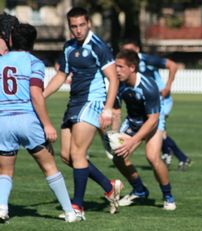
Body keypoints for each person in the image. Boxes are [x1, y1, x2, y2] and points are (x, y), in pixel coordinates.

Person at [43, 7, 122, 219]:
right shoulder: (69, 47)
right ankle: (109, 186)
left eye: (81, 25)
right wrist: (41, 96)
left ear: (89, 24)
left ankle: (77, 207)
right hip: (74, 103)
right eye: (74, 27)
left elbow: (113, 78)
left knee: (78, 154)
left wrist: (107, 108)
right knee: (67, 156)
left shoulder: (99, 47)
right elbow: (61, 76)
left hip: (92, 102)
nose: (78, 30)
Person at [0, 23, 80, 223]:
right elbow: (36, 94)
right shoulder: (34, 63)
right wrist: (47, 124)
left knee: (5, 170)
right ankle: (70, 212)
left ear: (10, 40)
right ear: (33, 43)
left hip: (3, 121)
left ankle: (2, 208)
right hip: (27, 120)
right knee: (49, 167)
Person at [111, 49, 176, 210]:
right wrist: (113, 133)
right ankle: (139, 190)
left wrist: (133, 141)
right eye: (115, 66)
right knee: (118, 157)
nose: (116, 70)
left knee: (152, 157)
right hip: (133, 121)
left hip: (153, 120)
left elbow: (153, 120)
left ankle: (168, 196)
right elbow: (117, 110)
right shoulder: (118, 84)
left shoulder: (148, 86)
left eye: (120, 67)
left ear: (132, 68)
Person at [120, 40, 191, 170]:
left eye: (129, 51)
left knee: (158, 130)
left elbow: (172, 65)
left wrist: (167, 87)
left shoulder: (147, 60)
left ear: (137, 49)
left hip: (159, 99)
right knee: (158, 131)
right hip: (145, 102)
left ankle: (181, 157)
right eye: (125, 51)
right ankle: (171, 154)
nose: (127, 54)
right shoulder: (124, 68)